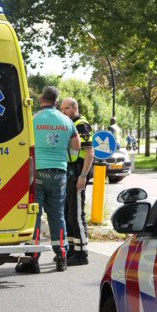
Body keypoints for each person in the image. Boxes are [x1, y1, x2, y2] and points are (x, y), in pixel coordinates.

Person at [17, 85, 78, 273]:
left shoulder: (33, 119)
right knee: (57, 215)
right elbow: (76, 148)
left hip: (37, 173)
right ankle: (61, 257)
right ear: (57, 102)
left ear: (41, 99)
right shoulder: (67, 121)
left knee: (34, 215)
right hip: (59, 173)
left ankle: (32, 259)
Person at [61, 96, 92, 265]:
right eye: (62, 109)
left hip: (78, 172)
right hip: (70, 172)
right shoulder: (69, 124)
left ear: (75, 108)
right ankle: (72, 250)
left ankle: (82, 254)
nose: (63, 112)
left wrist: (83, 176)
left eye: (66, 108)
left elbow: (90, 153)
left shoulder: (81, 125)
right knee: (68, 213)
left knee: (77, 214)